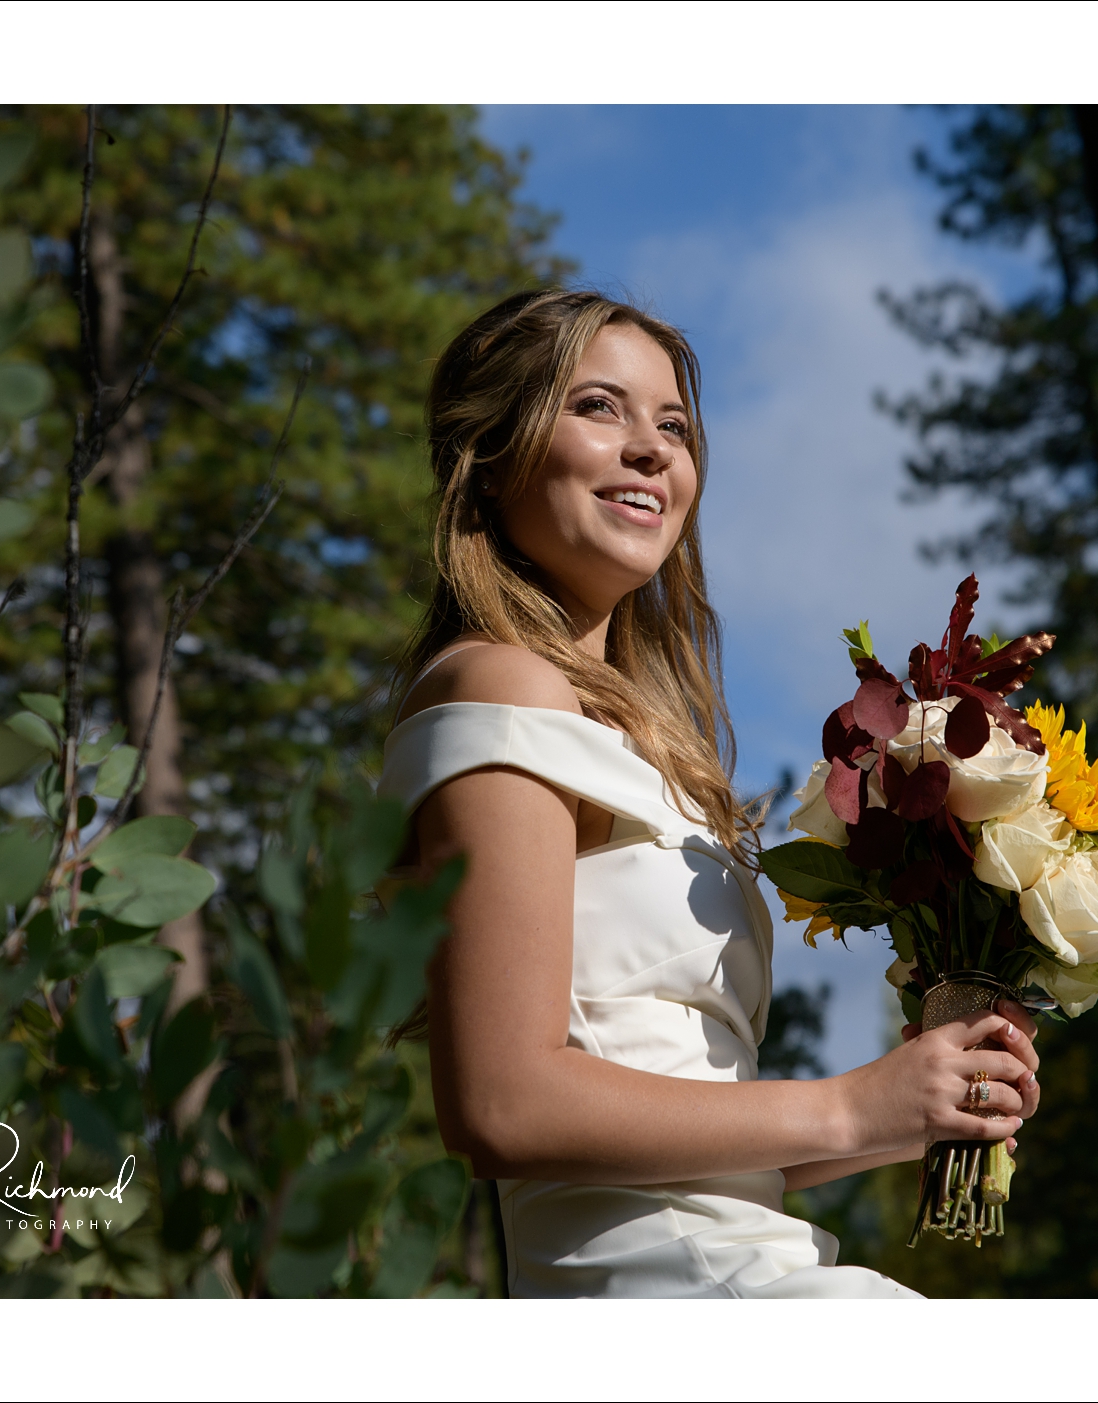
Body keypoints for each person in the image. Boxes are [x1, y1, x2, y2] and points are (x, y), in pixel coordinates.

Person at [378, 289, 1042, 1298]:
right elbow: (500, 1102)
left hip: (741, 1264)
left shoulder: (649, 745)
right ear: (490, 448)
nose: (650, 448)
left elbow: (700, 1136)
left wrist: (923, 1102)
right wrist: (852, 1107)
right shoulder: (499, 681)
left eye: (673, 425)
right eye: (598, 406)